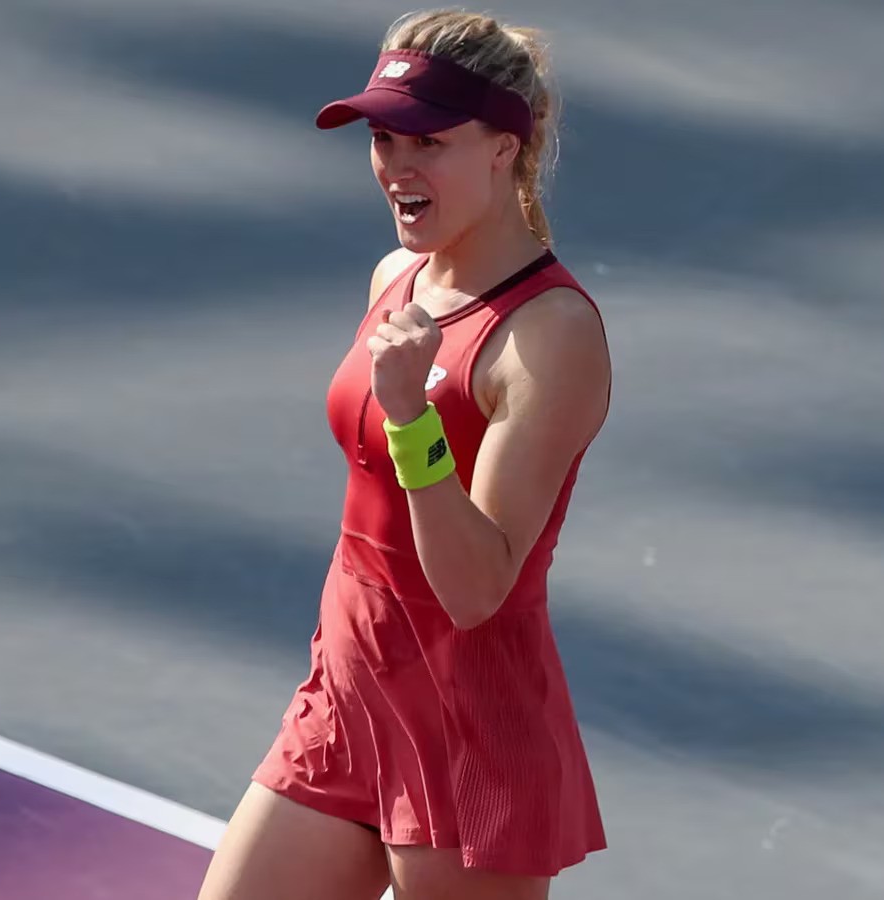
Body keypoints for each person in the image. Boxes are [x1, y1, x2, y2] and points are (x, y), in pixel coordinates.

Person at [197, 9, 611, 900]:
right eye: (384, 139)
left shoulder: (549, 335)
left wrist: (410, 417)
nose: (397, 166)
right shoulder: (397, 278)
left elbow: (476, 588)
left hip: (469, 730)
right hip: (347, 695)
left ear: (505, 147)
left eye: (429, 141)